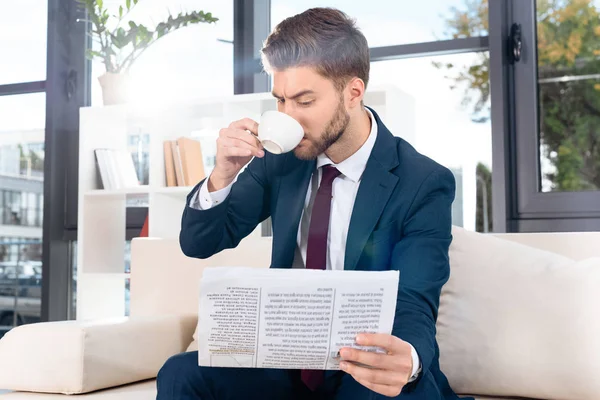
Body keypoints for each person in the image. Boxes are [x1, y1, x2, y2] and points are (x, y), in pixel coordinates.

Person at [157, 7, 468, 400]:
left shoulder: (422, 182)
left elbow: (414, 299)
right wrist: (222, 174)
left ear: (353, 92)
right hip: (284, 363)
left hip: (362, 364)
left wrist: (407, 360)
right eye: (280, 101)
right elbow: (199, 242)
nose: (288, 117)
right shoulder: (279, 161)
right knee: (181, 374)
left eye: (304, 101)